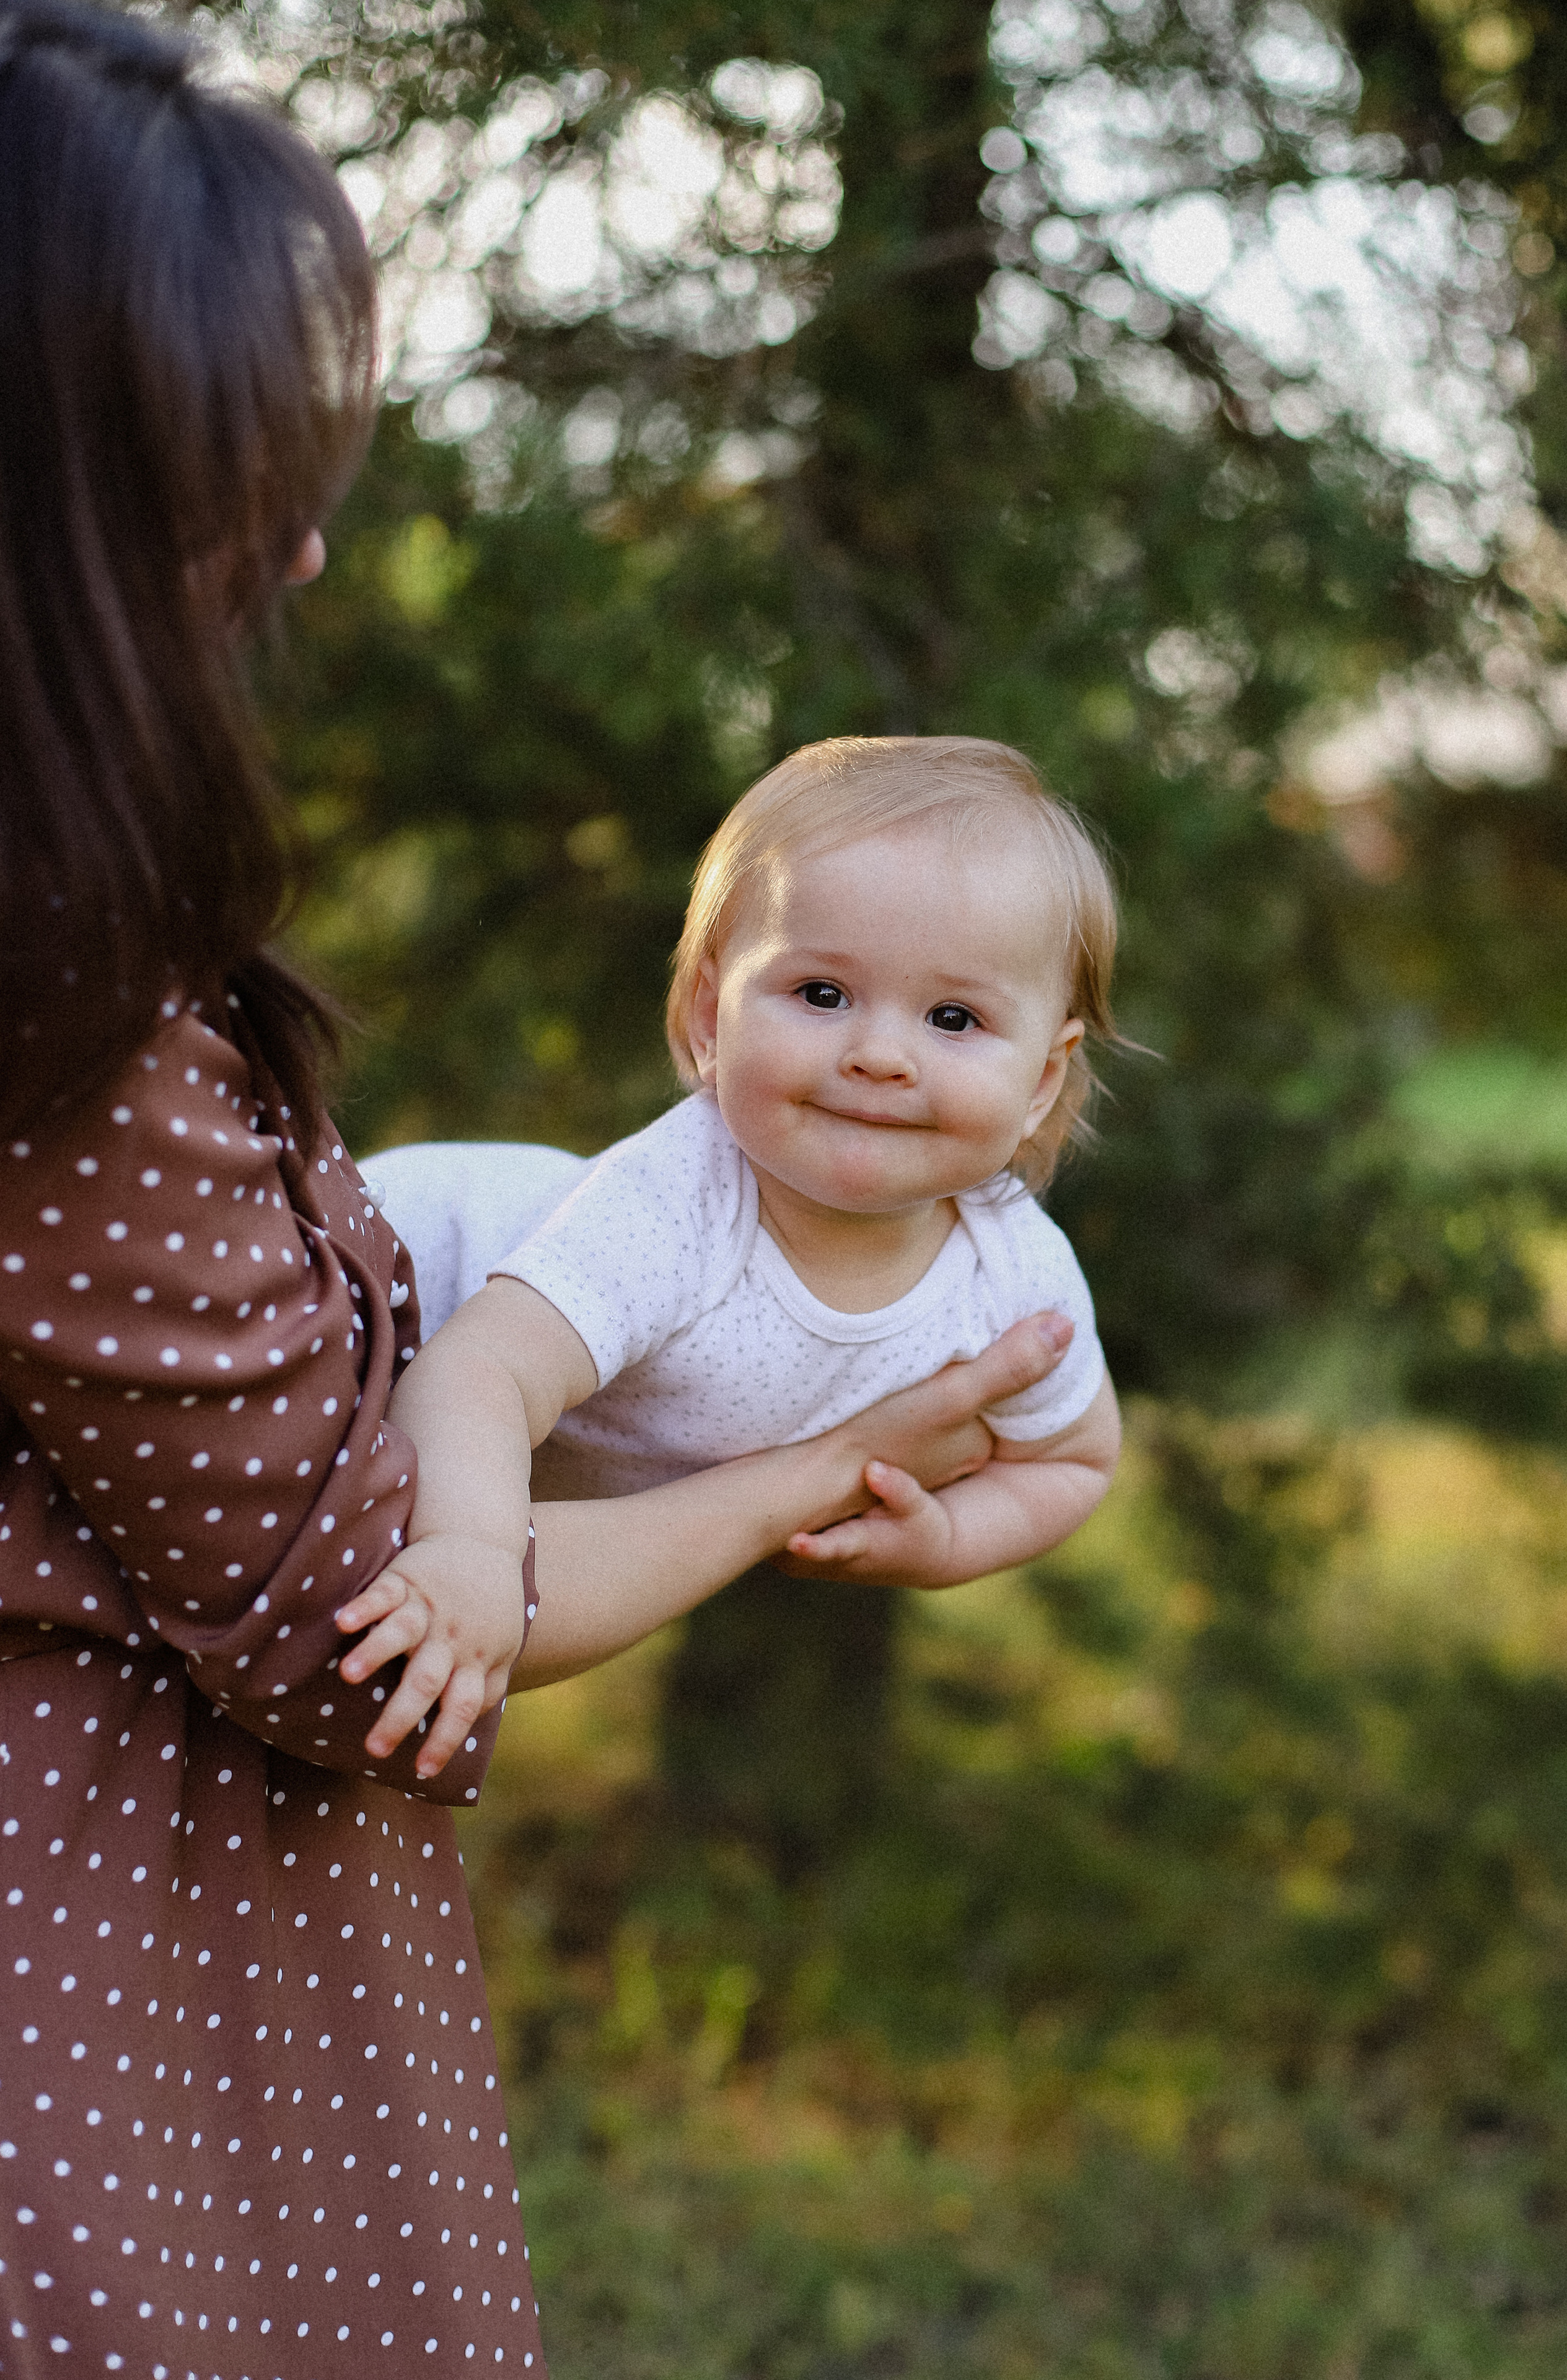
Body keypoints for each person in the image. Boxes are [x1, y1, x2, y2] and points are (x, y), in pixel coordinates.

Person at [0, 7, 1071, 2368]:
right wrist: (828, 1458)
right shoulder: (58, 1028)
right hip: (107, 2007)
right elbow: (356, 1620)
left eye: (962, 1025)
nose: (293, 542)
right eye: (218, 472)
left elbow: (1071, 1454)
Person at [336, 737, 1122, 1740]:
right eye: (823, 995)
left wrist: (947, 1542)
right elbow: (477, 1373)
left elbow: (1075, 1463)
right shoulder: (680, 1204)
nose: (881, 1055)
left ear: (1043, 1081)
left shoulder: (1015, 1278)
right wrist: (474, 1554)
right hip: (373, 1279)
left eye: (955, 1018)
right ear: (713, 1015)